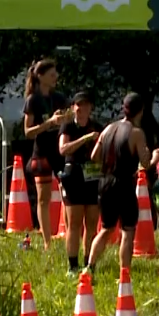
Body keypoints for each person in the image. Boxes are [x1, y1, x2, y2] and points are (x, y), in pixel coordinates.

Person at [84, 93, 151, 274]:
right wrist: (152, 154)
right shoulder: (136, 133)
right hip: (123, 183)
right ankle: (124, 273)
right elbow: (145, 162)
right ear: (141, 111)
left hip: (105, 182)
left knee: (106, 228)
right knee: (128, 231)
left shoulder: (108, 129)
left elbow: (94, 157)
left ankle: (89, 266)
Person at [23, 59, 71, 249]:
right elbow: (27, 132)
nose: (56, 77)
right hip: (41, 151)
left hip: (59, 151)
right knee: (43, 199)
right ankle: (47, 242)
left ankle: (70, 235)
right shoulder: (32, 100)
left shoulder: (58, 97)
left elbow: (71, 115)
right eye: (52, 75)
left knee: (68, 194)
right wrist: (49, 123)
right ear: (40, 77)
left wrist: (65, 118)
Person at [58, 92, 104, 276]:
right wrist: (85, 139)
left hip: (93, 176)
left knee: (92, 222)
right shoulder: (68, 126)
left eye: (85, 105)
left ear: (90, 108)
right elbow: (63, 149)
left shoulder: (97, 127)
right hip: (74, 174)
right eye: (78, 105)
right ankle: (72, 265)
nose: (82, 109)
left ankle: (88, 263)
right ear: (73, 108)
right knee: (74, 223)